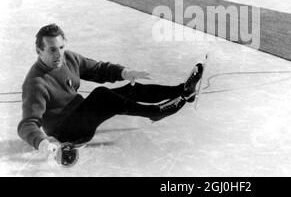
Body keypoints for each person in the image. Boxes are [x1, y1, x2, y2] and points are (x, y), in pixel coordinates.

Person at [18, 24, 204, 157]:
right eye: (52, 50)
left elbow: (97, 69)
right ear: (38, 50)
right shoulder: (35, 82)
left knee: (130, 88)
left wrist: (125, 72)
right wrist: (42, 142)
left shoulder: (68, 58)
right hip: (66, 132)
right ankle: (155, 112)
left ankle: (183, 90)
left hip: (80, 114)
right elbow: (27, 124)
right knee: (102, 95)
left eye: (61, 47)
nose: (59, 54)